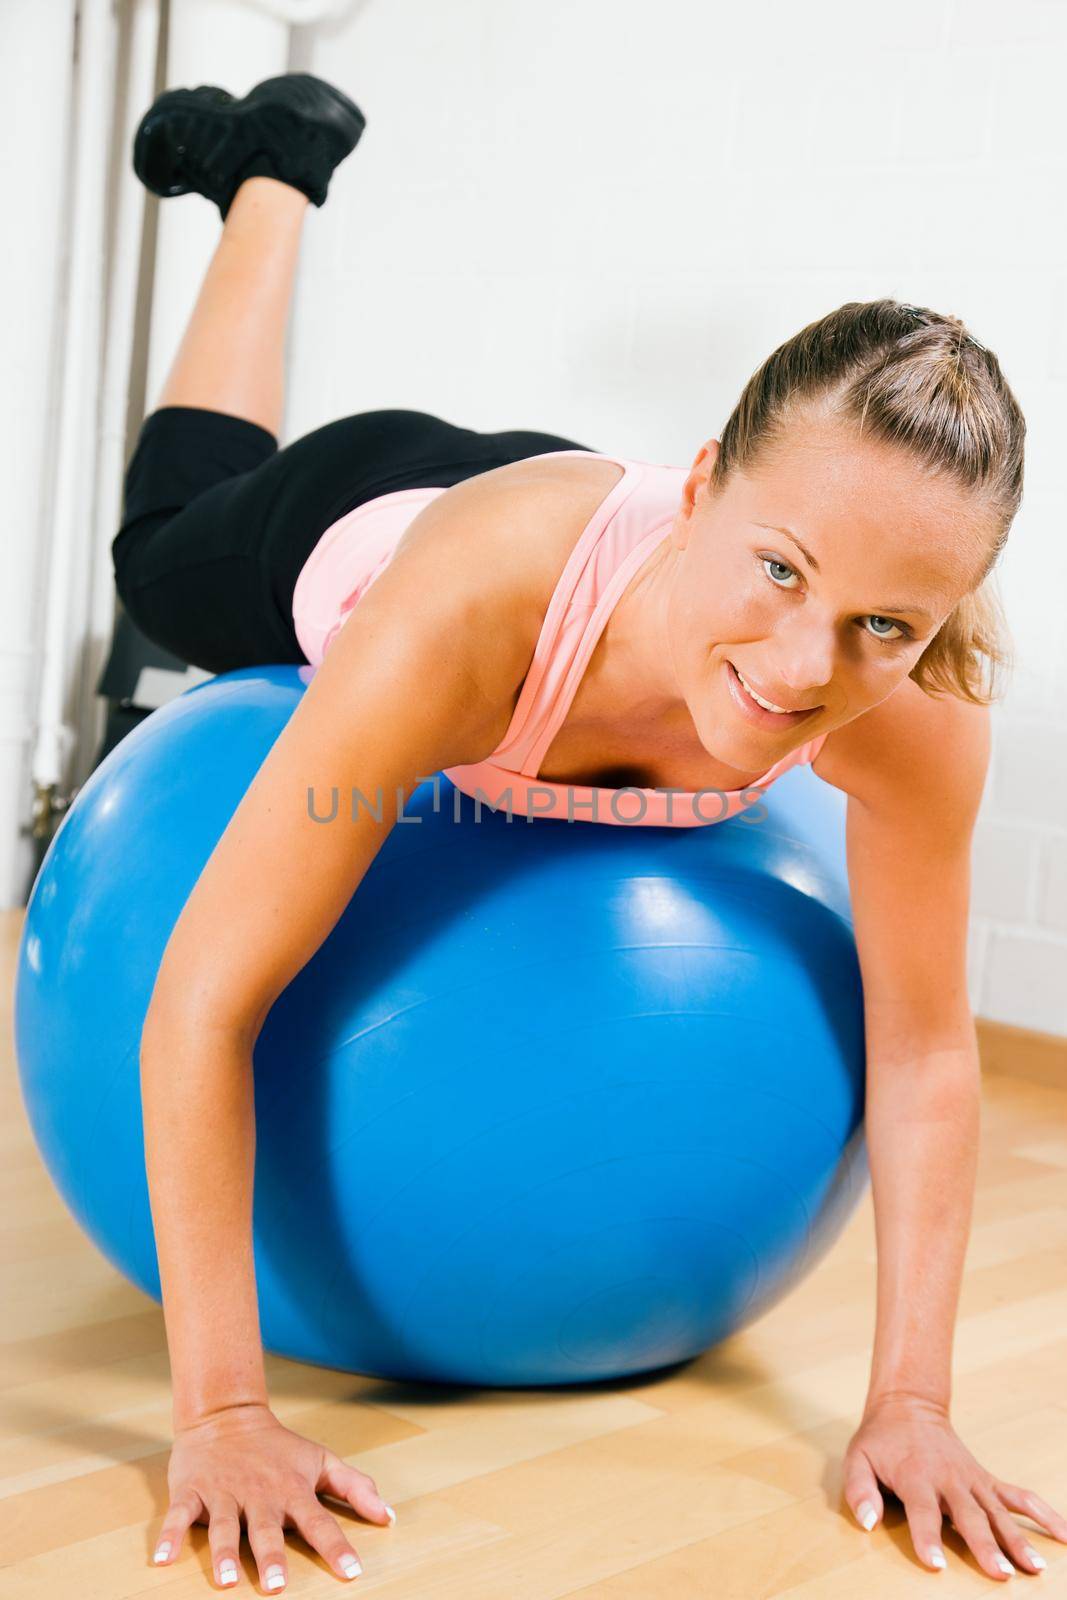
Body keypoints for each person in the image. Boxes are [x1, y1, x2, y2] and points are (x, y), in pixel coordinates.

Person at [115, 73, 1065, 1592]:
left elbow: (930, 1050)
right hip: (380, 519)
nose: (809, 667)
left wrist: (914, 1402)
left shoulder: (920, 713)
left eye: (884, 624)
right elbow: (205, 993)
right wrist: (221, 1408)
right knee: (163, 552)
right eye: (778, 568)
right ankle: (273, 175)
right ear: (700, 491)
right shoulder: (461, 621)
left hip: (595, 539)